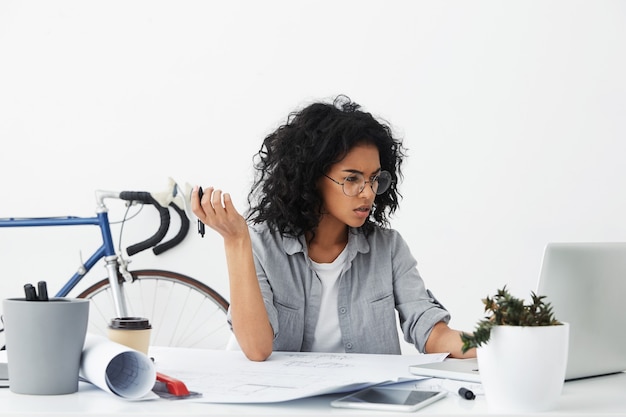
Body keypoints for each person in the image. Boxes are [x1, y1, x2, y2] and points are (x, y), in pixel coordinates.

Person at [192, 95, 476, 362]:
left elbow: (431, 332)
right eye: (352, 179)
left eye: (374, 178)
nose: (368, 193)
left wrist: (494, 343)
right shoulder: (262, 246)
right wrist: (235, 240)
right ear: (311, 178)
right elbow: (257, 348)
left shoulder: (388, 248)